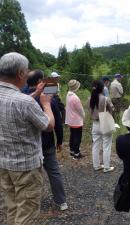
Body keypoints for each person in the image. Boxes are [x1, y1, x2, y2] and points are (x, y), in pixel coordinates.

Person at [0, 52, 55, 225]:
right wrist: (46, 104)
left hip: (4, 163)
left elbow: (15, 103)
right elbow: (48, 125)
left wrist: (36, 94)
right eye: (26, 70)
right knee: (26, 215)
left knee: (12, 208)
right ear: (20, 74)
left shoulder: (19, 100)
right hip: (26, 168)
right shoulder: (25, 103)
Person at [24, 70, 68, 211]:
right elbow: (58, 124)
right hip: (46, 142)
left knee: (29, 174)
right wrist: (59, 141)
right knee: (54, 172)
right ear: (39, 82)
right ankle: (61, 202)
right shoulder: (48, 99)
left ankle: (30, 203)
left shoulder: (21, 96)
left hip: (28, 143)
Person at [88, 80, 115, 172]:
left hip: (95, 124)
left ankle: (96, 165)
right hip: (104, 122)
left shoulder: (90, 99)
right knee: (106, 146)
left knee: (95, 145)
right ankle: (106, 167)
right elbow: (112, 109)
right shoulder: (105, 98)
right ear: (102, 88)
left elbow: (89, 111)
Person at [65, 79, 85, 160]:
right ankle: (76, 154)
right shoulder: (75, 98)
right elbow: (80, 110)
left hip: (70, 119)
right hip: (76, 120)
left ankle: (72, 151)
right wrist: (83, 116)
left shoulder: (68, 94)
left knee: (72, 135)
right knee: (77, 137)